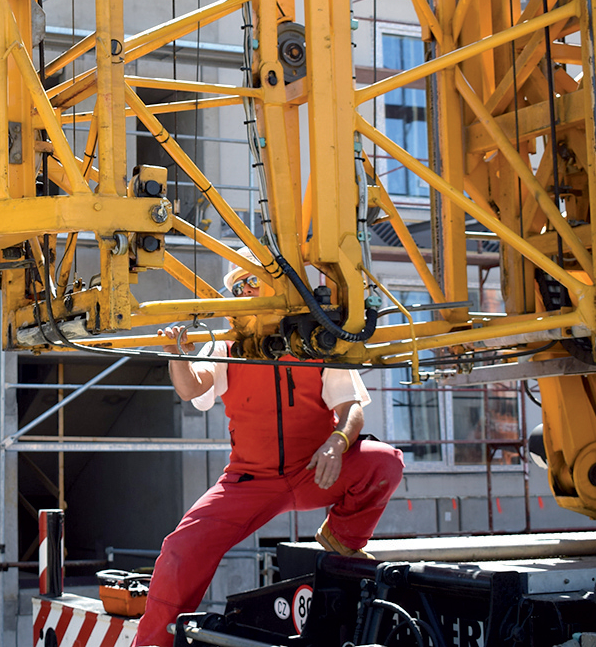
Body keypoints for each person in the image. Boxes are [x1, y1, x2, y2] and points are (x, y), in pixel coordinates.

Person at [131, 260, 405, 647]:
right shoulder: (226, 345)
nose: (245, 291)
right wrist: (176, 354)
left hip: (314, 469)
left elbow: (351, 407)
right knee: (181, 547)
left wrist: (338, 441)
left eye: (253, 282)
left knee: (385, 461)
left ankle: (343, 536)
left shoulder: (314, 340)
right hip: (250, 480)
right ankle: (153, 643)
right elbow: (192, 388)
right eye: (239, 285)